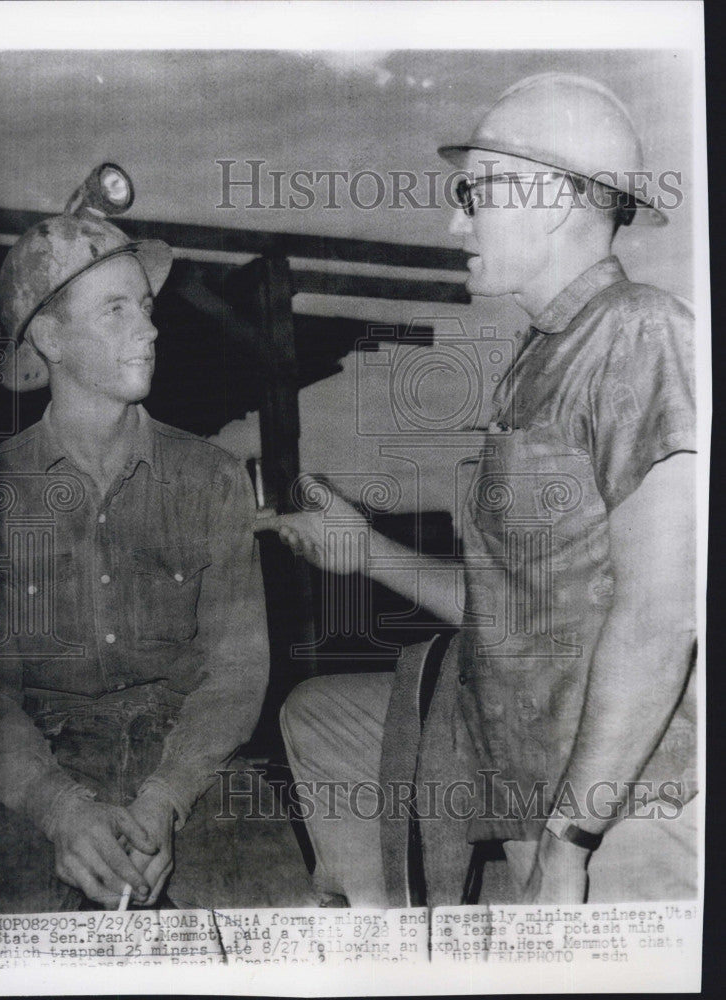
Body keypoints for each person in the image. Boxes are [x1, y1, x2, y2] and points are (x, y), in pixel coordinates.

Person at [266, 73, 697, 906]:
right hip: (526, 775)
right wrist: (363, 549)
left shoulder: (642, 334)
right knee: (318, 717)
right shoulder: (536, 362)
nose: (454, 220)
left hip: (620, 808)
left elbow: (658, 618)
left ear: (552, 201)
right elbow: (510, 613)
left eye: (477, 193)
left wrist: (570, 845)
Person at [0, 201, 311, 912]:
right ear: (49, 337)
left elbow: (237, 668)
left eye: (147, 307)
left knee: (279, 935)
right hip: (32, 766)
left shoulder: (210, 477)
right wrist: (59, 810)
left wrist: (165, 799)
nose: (150, 330)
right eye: (116, 310)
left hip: (192, 762)